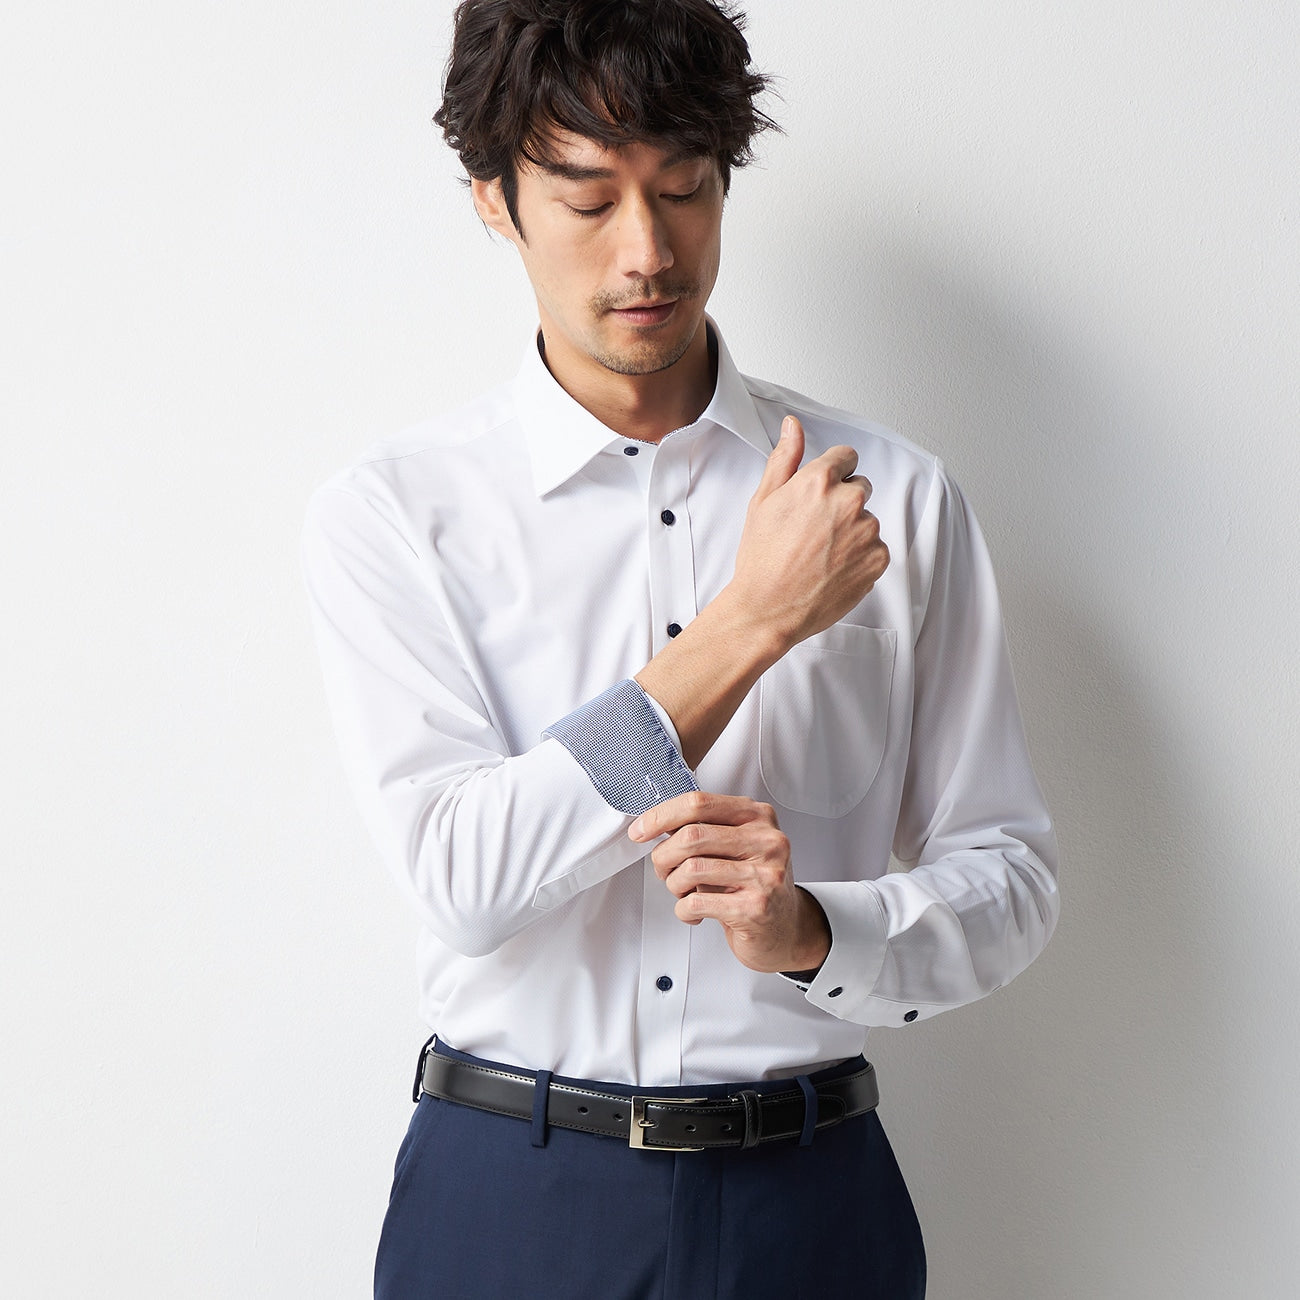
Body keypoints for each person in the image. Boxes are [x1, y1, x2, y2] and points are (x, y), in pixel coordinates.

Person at [300, 1, 1059, 1295]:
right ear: (495, 202)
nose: (647, 251)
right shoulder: (400, 518)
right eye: (588, 199)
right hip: (510, 1198)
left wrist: (816, 930)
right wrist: (751, 624)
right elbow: (463, 880)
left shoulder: (893, 497)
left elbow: (1012, 876)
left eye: (685, 189)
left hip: (809, 1203)